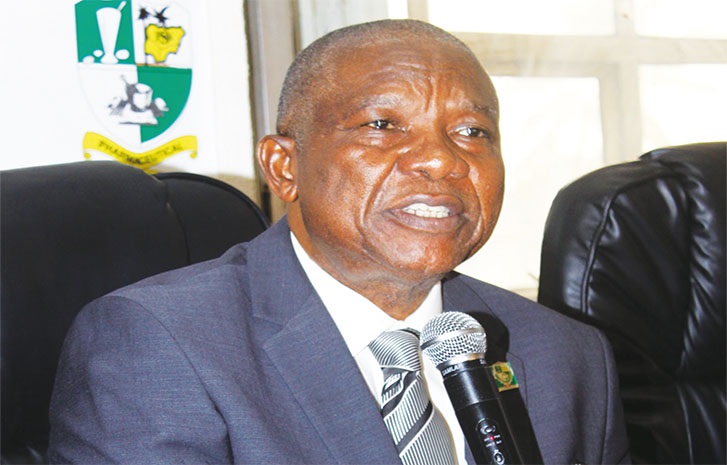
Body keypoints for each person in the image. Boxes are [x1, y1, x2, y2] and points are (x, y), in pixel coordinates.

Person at [49, 19, 630, 464]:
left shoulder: (566, 354)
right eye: (382, 125)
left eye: (472, 131)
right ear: (284, 168)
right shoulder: (160, 343)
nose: (441, 160)